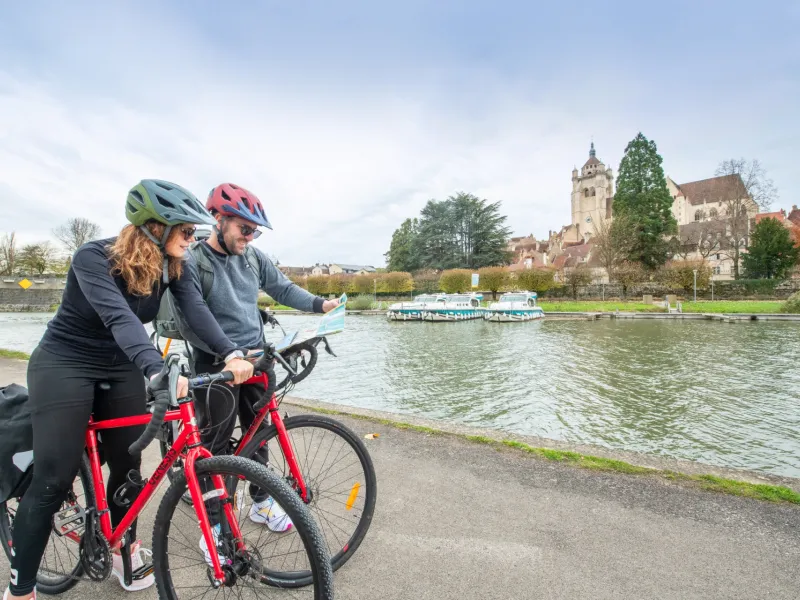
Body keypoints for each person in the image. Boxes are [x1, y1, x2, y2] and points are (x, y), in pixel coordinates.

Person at [4, 180, 254, 600]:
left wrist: (231, 353)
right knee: (53, 477)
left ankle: (123, 548)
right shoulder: (93, 258)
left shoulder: (175, 264)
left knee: (129, 468)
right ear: (155, 227)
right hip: (65, 361)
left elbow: (196, 310)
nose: (192, 238)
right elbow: (119, 317)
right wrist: (156, 369)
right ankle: (20, 589)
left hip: (120, 363)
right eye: (185, 230)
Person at [186, 183, 337, 546]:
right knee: (215, 445)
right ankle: (216, 526)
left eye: (255, 231)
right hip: (216, 364)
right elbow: (194, 317)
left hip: (256, 358)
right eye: (244, 229)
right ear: (219, 220)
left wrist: (321, 305)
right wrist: (228, 354)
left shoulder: (253, 258)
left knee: (260, 433)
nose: (250, 237)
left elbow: (283, 289)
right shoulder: (195, 261)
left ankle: (260, 501)